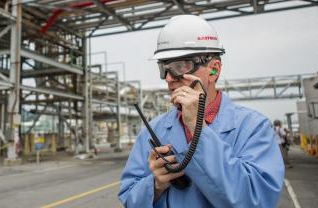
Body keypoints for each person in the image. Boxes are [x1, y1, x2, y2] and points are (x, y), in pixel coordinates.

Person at [118, 15, 284, 207]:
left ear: (213, 70)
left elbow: (256, 200)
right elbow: (129, 199)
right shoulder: (152, 130)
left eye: (180, 66)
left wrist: (198, 128)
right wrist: (154, 185)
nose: (169, 78)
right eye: (164, 67)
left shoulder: (254, 128)